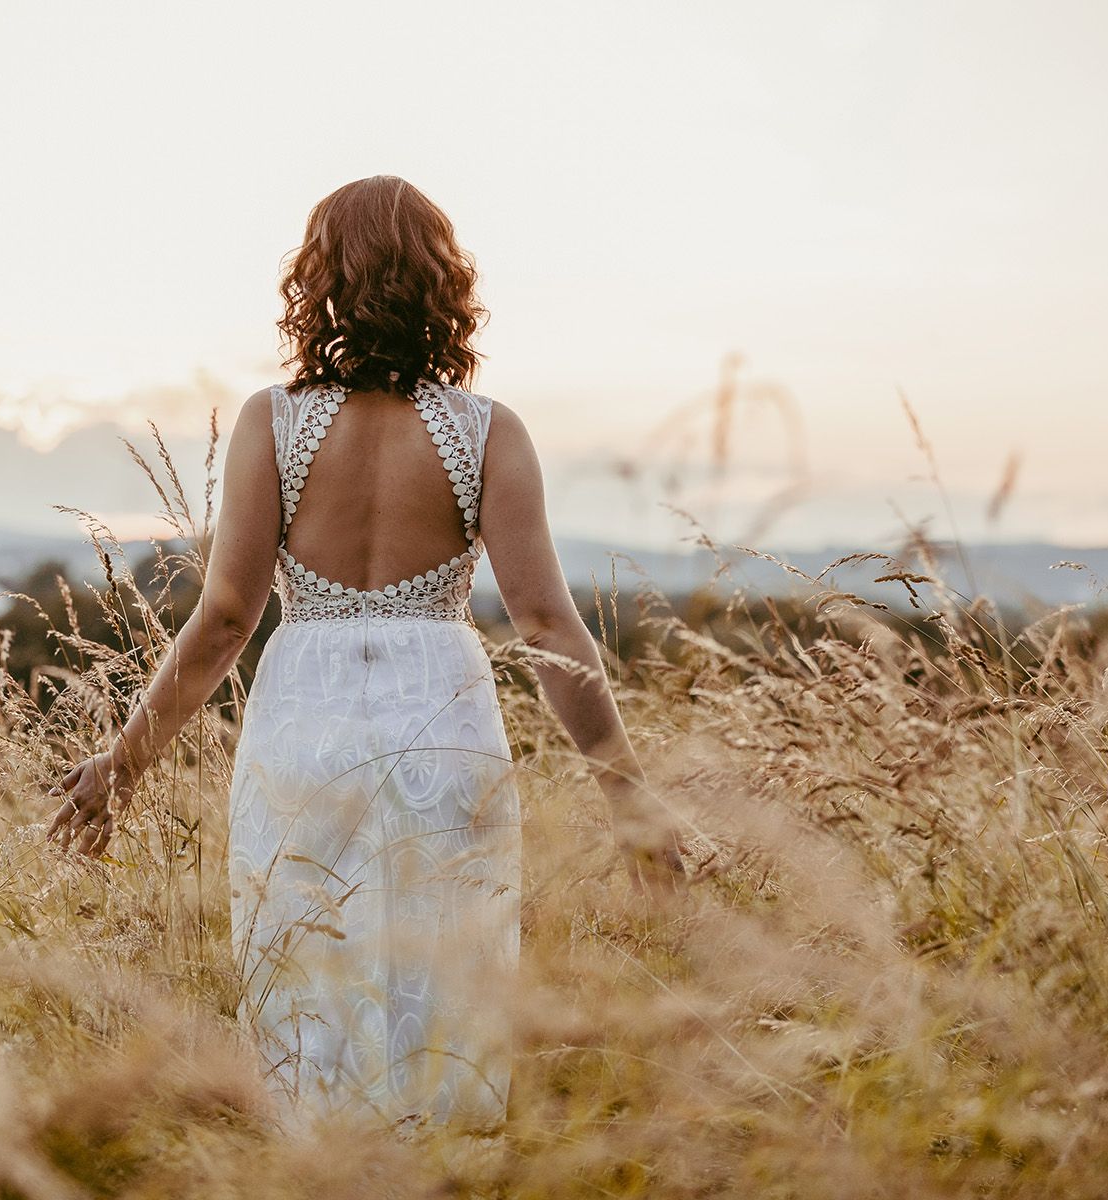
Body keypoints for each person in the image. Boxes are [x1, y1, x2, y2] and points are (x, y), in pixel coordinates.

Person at [47, 175, 674, 1132]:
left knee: (309, 978)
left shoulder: (273, 421)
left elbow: (223, 622)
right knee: (446, 987)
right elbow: (548, 625)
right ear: (443, 282)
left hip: (307, 718)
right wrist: (627, 791)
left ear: (320, 280)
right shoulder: (489, 431)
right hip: (444, 718)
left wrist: (123, 765)